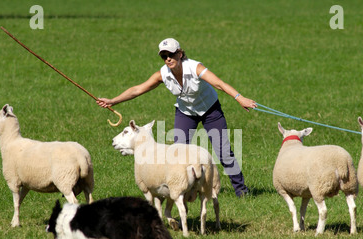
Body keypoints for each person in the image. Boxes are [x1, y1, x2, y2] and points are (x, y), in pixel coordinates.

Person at [97, 38, 256, 197]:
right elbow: (138, 89)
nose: (168, 59)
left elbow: (219, 83)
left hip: (210, 110)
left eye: (171, 54)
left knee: (223, 151)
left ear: (180, 53)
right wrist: (113, 101)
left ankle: (241, 190)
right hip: (185, 112)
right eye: (164, 56)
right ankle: (187, 189)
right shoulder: (163, 74)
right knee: (179, 153)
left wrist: (239, 98)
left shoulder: (195, 67)